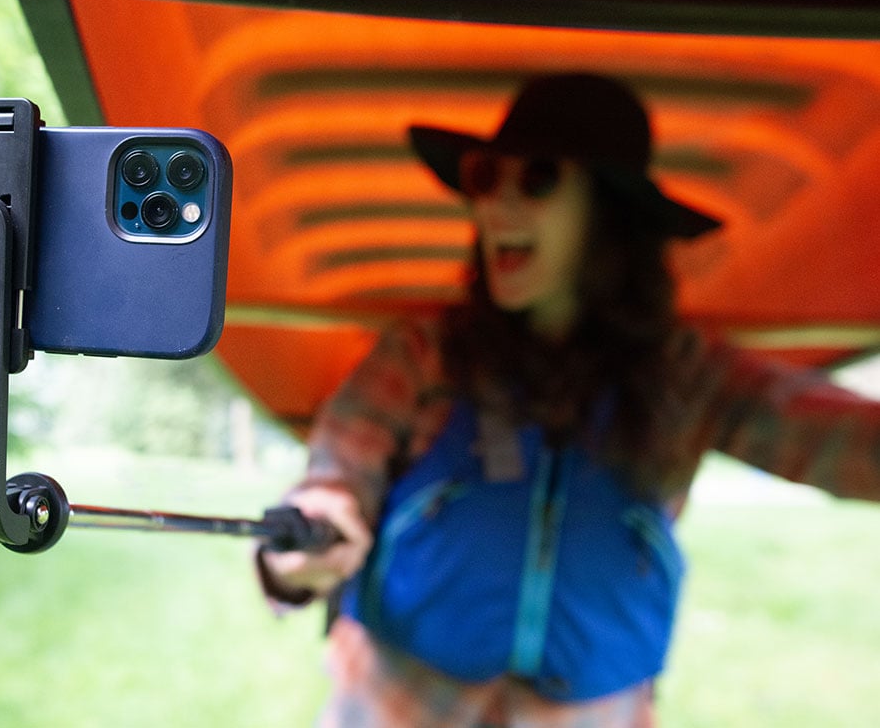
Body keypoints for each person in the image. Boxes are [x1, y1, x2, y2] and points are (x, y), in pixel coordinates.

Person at [256, 73, 880, 727]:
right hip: (400, 695)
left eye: (537, 179)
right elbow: (336, 473)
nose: (495, 207)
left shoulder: (684, 373)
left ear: (610, 212)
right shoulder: (424, 353)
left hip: (595, 706)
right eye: (486, 177)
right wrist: (307, 536)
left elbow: (833, 441)